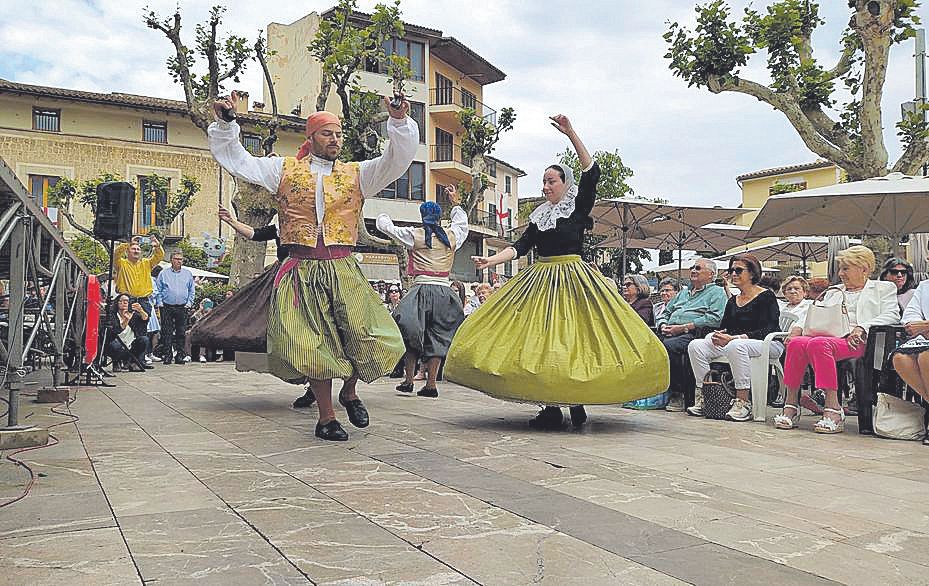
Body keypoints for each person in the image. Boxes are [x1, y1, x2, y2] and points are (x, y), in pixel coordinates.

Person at [208, 90, 417, 441]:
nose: (335, 139)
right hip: (302, 271)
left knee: (370, 336)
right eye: (327, 133)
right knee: (312, 344)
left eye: (338, 133)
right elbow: (239, 160)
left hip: (343, 269)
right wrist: (228, 124)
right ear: (311, 137)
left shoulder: (357, 174)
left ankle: (349, 391)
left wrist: (397, 121)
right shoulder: (283, 169)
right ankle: (326, 417)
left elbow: (396, 160)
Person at [446, 114, 668, 429]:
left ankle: (576, 400)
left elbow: (592, 172)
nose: (546, 186)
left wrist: (571, 133)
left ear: (565, 185)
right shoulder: (539, 216)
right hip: (540, 281)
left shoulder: (577, 208)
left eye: (552, 181)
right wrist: (489, 262)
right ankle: (551, 405)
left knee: (577, 340)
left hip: (575, 281)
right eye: (544, 182)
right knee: (543, 343)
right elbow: (520, 247)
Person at [775, 245, 899, 433]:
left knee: (819, 344)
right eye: (840, 268)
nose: (840, 273)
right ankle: (791, 404)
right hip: (831, 338)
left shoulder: (883, 288)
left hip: (860, 341)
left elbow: (892, 315)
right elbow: (812, 312)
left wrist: (862, 327)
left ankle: (833, 408)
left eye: (845, 268)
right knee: (797, 343)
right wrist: (796, 329)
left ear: (863, 268)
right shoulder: (834, 291)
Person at [377, 185, 469, 398]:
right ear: (438, 217)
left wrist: (383, 214)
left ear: (422, 215)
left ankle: (408, 380)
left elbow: (386, 227)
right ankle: (430, 385)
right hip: (445, 292)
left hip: (420, 290)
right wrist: (454, 202)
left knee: (409, 333)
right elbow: (461, 223)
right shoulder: (452, 236)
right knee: (440, 335)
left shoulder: (414, 234)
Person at [686, 254, 781, 420]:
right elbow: (726, 328)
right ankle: (705, 397)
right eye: (731, 270)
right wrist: (719, 335)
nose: (733, 274)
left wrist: (736, 338)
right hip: (737, 344)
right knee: (696, 345)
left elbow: (769, 329)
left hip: (769, 343)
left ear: (752, 273)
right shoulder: (732, 301)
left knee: (735, 345)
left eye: (738, 270)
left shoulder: (766, 297)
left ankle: (743, 401)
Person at [656, 258, 728, 412]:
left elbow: (715, 318)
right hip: (670, 331)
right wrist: (662, 324)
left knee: (669, 346)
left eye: (698, 268)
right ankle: (651, 392)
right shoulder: (683, 293)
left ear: (711, 274)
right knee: (647, 343)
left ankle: (678, 393)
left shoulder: (717, 292)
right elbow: (665, 312)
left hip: (696, 333)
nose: (693, 271)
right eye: (692, 268)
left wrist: (683, 327)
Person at [891, 264, 929, 445]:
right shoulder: (925, 286)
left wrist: (926, 325)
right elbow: (909, 316)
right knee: (900, 358)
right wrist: (921, 327)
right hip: (925, 339)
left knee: (925, 357)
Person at [155, 251, 195, 365]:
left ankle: (180, 356)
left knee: (181, 332)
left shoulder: (187, 274)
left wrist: (189, 303)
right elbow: (158, 289)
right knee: (166, 332)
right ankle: (167, 355)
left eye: (181, 259)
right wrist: (160, 303)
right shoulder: (163, 273)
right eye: (176, 259)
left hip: (182, 307)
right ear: (171, 260)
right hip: (166, 306)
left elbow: (192, 290)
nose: (179, 261)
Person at [114, 235, 164, 317]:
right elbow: (116, 254)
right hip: (126, 301)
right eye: (133, 249)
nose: (136, 251)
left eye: (138, 249)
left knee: (142, 328)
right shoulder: (121, 263)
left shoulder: (146, 263)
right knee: (125, 327)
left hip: (143, 301)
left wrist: (157, 246)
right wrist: (128, 242)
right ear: (127, 252)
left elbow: (159, 257)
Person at [105, 294, 151, 371]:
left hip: (130, 345)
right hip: (116, 345)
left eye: (126, 301)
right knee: (115, 345)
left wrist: (141, 310)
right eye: (121, 301)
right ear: (117, 303)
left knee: (144, 340)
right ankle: (117, 361)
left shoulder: (133, 314)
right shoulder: (112, 315)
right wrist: (126, 320)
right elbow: (116, 330)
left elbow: (145, 319)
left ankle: (132, 362)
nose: (124, 303)